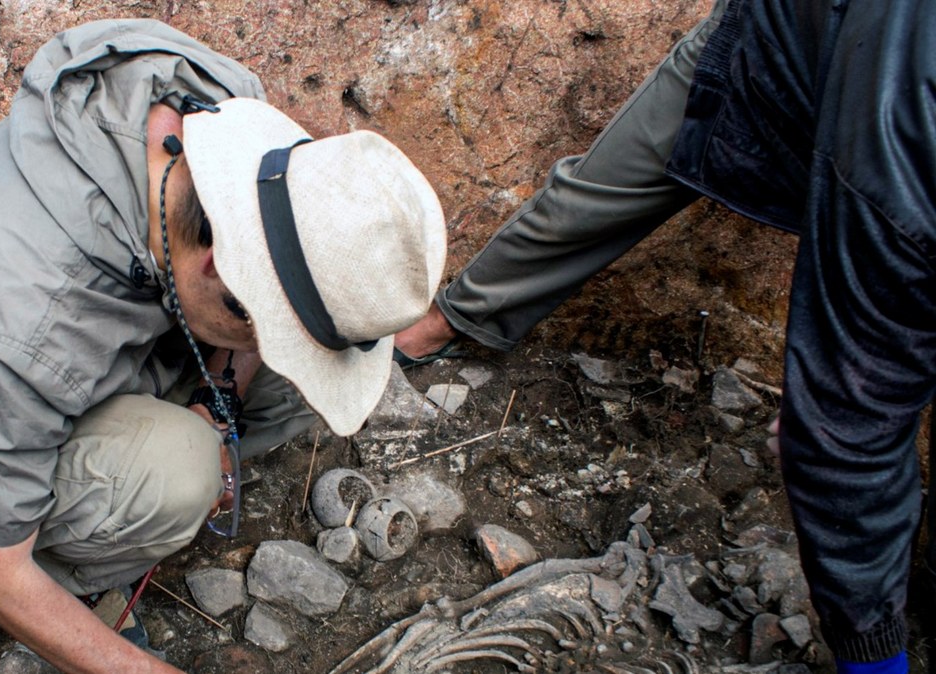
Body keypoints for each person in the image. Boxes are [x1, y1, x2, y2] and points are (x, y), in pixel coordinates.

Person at [0, 19, 446, 674]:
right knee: (176, 475)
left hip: (77, 345)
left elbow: (273, 279)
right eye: (267, 328)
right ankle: (76, 569)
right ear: (219, 272)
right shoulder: (18, 318)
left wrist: (215, 404)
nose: (275, 344)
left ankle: (125, 480)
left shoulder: (226, 118)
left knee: (283, 392)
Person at [394, 0, 935, 671]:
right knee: (595, 196)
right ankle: (443, 325)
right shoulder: (908, 156)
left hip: (868, 113)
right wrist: (875, 655)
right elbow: (847, 430)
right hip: (776, 52)